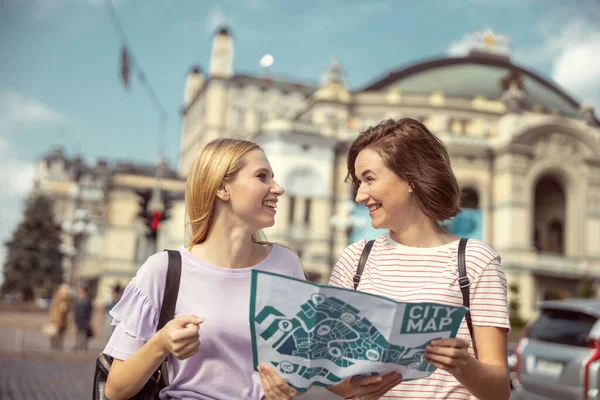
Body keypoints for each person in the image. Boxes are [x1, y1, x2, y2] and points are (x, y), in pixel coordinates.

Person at [103, 139, 308, 400]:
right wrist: (162, 343)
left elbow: (300, 367)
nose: (278, 189)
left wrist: (290, 387)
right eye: (262, 177)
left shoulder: (285, 264)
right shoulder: (163, 270)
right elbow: (115, 389)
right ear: (222, 187)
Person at [327, 118, 511, 400]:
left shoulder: (475, 260)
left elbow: (499, 390)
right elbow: (328, 370)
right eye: (358, 183)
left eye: (369, 179)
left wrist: (464, 366)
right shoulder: (355, 259)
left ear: (410, 179)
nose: (361, 195)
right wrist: (355, 387)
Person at [47, 283, 72, 350]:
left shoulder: (68, 298)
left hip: (64, 319)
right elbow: (53, 307)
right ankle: (54, 345)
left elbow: (69, 307)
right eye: (65, 290)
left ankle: (59, 345)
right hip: (56, 318)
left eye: (67, 290)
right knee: (54, 332)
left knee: (61, 333)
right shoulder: (57, 297)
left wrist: (66, 307)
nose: (66, 292)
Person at [74, 285, 94, 352]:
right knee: (78, 333)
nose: (80, 293)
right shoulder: (78, 300)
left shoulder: (88, 300)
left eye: (81, 291)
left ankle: (84, 347)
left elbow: (90, 310)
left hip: (85, 319)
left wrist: (89, 319)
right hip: (78, 319)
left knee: (85, 334)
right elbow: (75, 310)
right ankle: (78, 345)